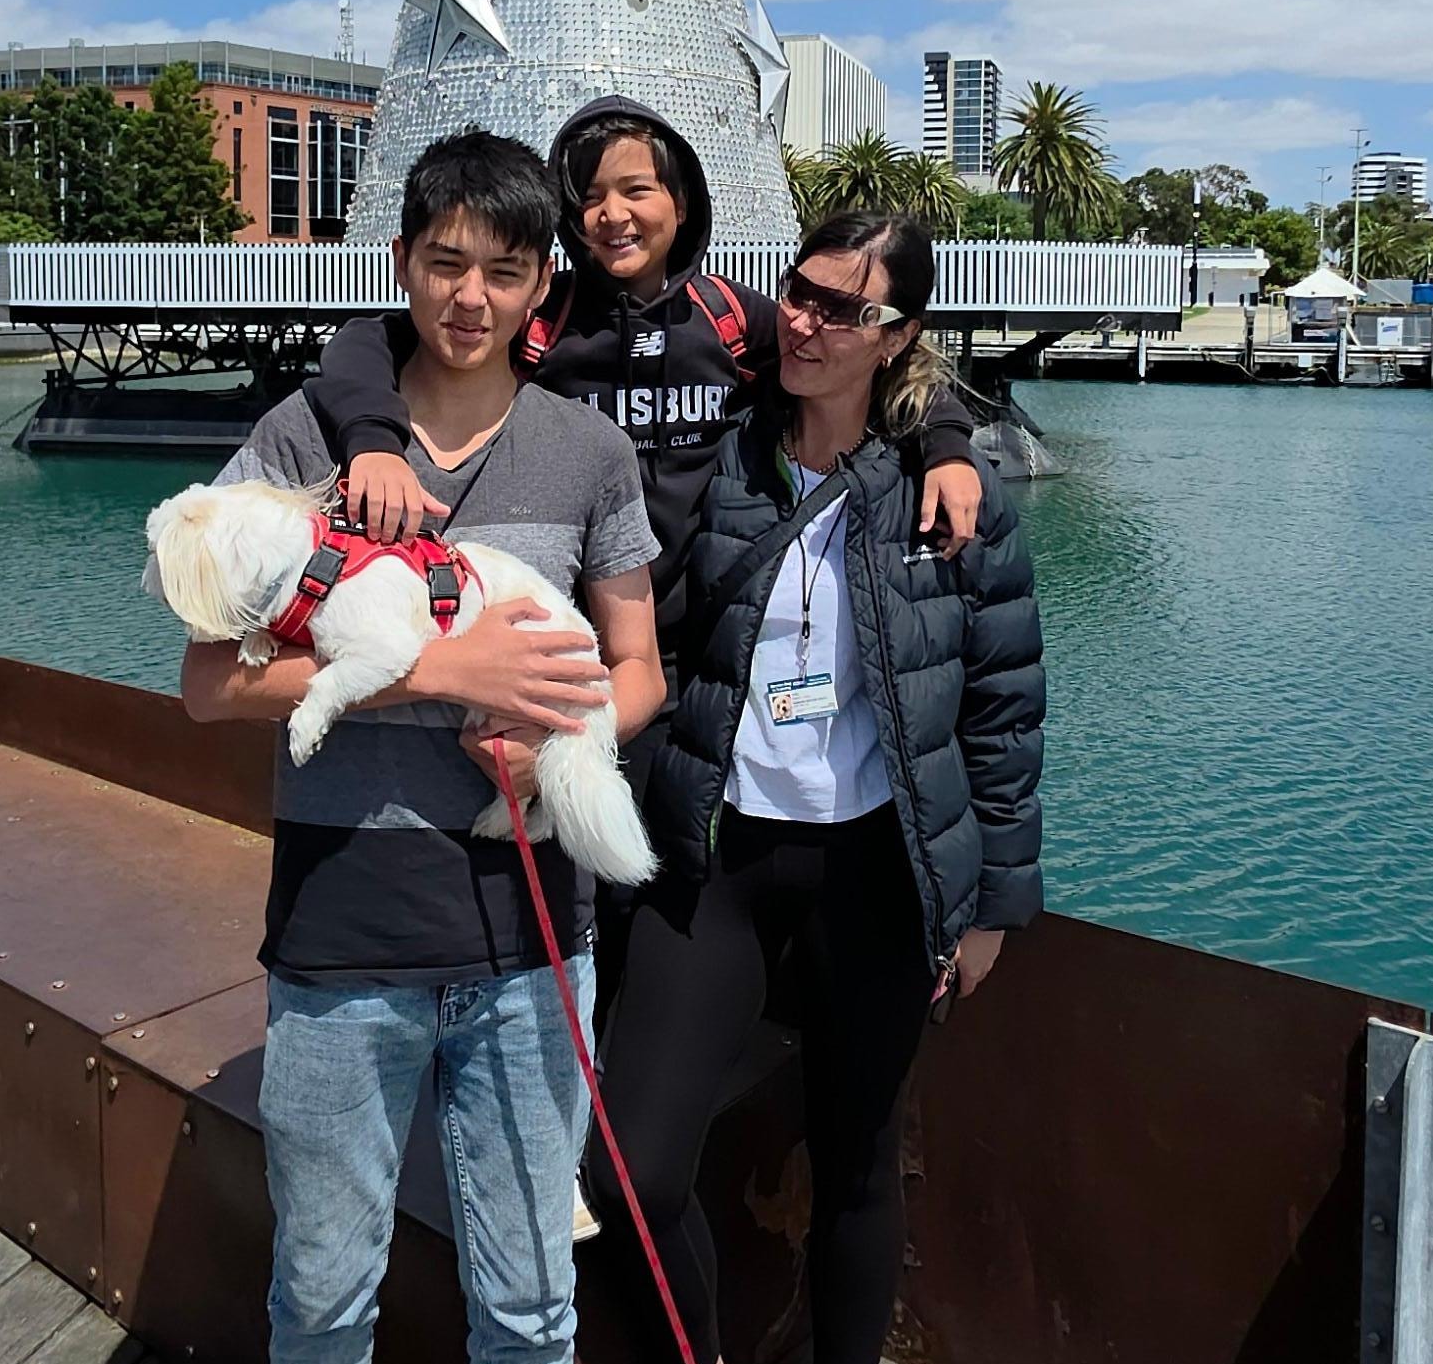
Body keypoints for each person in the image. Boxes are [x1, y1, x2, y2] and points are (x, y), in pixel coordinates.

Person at [168, 127, 668, 1364]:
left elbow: (636, 665)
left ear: (545, 290)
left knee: (533, 1301)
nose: (471, 293)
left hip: (533, 948)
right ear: (402, 265)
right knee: (323, 1281)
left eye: (505, 269)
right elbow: (201, 679)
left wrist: (559, 741)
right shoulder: (308, 437)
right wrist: (442, 668)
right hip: (340, 939)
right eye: (444, 261)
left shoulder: (589, 449)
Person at [585, 207, 1044, 1364]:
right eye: (799, 291)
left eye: (846, 310)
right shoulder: (712, 453)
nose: (806, 323)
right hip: (715, 851)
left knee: (857, 1164)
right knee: (629, 1168)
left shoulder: (951, 488)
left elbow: (1004, 709)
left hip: (876, 872)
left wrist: (992, 905)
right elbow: (629, 595)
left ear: (898, 334)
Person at [309, 98, 984, 830]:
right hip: (556, 657)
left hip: (681, 672)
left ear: (682, 201)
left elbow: (870, 370)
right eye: (591, 196)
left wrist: (946, 443)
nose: (613, 214)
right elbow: (366, 344)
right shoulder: (541, 314)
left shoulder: (729, 319)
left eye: (637, 190)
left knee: (653, 875)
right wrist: (374, 441)